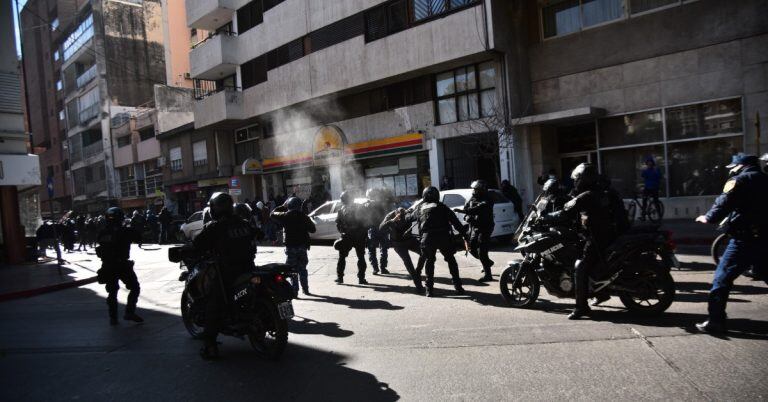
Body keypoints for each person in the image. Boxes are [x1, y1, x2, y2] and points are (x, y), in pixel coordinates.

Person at [542, 163, 628, 319]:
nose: (575, 182)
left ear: (583, 179)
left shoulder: (587, 196)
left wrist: (545, 218)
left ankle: (581, 307)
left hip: (597, 238)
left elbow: (565, 212)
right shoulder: (600, 192)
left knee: (580, 266)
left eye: (577, 179)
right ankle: (599, 292)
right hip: (606, 235)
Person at [694, 155, 768, 334]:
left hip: (745, 239)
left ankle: (716, 321)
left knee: (722, 279)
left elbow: (724, 203)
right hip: (765, 238)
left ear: (741, 166)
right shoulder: (765, 179)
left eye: (733, 166)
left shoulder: (739, 180)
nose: (731, 170)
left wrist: (708, 217)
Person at [193, 192, 257, 359]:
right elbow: (259, 234)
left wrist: (186, 250)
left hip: (227, 273)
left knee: (213, 305)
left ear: (215, 208)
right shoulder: (243, 223)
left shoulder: (214, 227)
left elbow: (196, 245)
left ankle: (210, 347)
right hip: (248, 269)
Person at [406, 186, 467, 297]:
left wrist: (405, 213)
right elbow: (456, 222)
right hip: (443, 237)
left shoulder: (420, 208)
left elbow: (409, 218)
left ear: (424, 196)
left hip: (428, 238)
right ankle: (458, 287)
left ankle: (429, 290)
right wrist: (465, 235)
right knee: (451, 261)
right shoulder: (442, 207)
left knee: (429, 262)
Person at [95, 207, 143, 326]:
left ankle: (113, 318)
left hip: (107, 265)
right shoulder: (124, 231)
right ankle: (129, 312)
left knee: (112, 292)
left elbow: (100, 244)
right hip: (122, 265)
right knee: (135, 287)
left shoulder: (103, 232)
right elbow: (138, 237)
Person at [271, 197, 316, 296]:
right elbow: (313, 229)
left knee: (292, 270)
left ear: (289, 205)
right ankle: (306, 289)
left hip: (291, 247)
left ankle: (295, 291)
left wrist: (283, 206)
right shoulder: (304, 217)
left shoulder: (285, 215)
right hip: (302, 247)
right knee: (303, 269)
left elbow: (272, 214)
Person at [380, 207, 425, 293]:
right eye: (400, 218)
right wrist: (392, 221)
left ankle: (418, 271)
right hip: (398, 244)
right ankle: (418, 285)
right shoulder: (390, 216)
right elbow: (381, 228)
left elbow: (420, 217)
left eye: (403, 217)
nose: (401, 220)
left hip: (409, 240)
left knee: (425, 252)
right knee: (408, 262)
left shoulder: (408, 214)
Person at [460, 180, 495, 282]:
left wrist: (465, 212)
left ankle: (488, 274)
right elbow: (466, 208)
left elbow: (478, 208)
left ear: (482, 190)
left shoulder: (488, 199)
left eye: (476, 189)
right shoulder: (472, 197)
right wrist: (467, 217)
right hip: (475, 227)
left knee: (482, 251)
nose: (474, 191)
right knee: (471, 248)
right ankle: (487, 262)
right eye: (474, 189)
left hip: (485, 227)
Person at [335, 191, 368, 285]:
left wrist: (342, 232)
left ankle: (340, 278)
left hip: (347, 236)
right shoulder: (360, 207)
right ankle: (361, 279)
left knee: (342, 257)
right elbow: (366, 222)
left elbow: (338, 224)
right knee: (361, 257)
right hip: (359, 236)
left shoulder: (341, 210)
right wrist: (364, 234)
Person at [365, 188, 390, 275]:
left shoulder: (366, 205)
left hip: (372, 229)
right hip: (382, 228)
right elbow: (386, 216)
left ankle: (375, 268)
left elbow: (363, 219)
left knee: (371, 250)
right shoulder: (381, 204)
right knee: (384, 249)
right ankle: (383, 268)